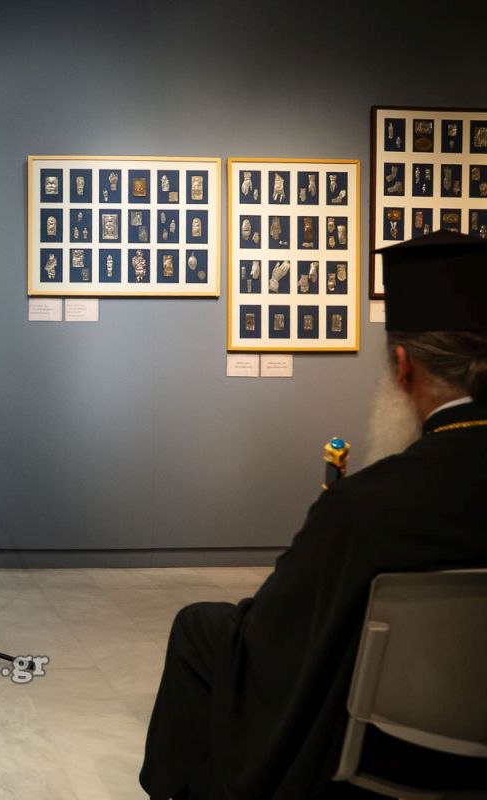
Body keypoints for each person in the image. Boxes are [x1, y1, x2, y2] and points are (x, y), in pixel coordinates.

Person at [140, 230, 487, 799]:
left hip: (385, 748)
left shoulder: (365, 506)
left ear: (403, 367)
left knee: (202, 628)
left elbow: (274, 637)